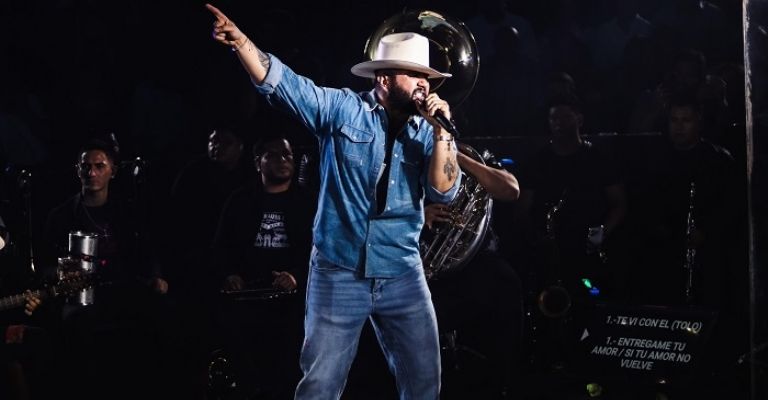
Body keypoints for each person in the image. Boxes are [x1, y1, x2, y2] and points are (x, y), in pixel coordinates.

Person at [206, 4, 461, 399]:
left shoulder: (428, 130)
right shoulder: (343, 110)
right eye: (414, 75)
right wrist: (241, 43)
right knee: (320, 386)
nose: (423, 85)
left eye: (426, 77)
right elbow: (285, 85)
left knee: (425, 384)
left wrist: (443, 132)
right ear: (385, 77)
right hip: (339, 270)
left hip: (402, 273)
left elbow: (443, 191)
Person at [41, 138, 168, 399]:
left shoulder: (128, 212)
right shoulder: (62, 216)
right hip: (80, 298)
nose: (92, 173)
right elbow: (45, 265)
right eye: (86, 166)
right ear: (77, 170)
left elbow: (147, 251)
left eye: (99, 166)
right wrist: (61, 273)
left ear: (113, 170)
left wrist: (156, 277)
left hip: (124, 290)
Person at [211, 133, 317, 399]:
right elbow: (221, 247)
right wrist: (230, 274)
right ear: (258, 162)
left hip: (293, 306)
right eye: (274, 154)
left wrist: (296, 276)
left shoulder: (309, 202)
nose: (283, 160)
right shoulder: (240, 200)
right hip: (247, 301)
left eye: (287, 154)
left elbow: (322, 252)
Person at [423, 146, 523, 398]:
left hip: (476, 259)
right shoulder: (409, 156)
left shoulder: (466, 153)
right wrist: (419, 214)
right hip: (425, 265)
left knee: (506, 284)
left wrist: (456, 156)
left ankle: (504, 382)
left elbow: (511, 189)